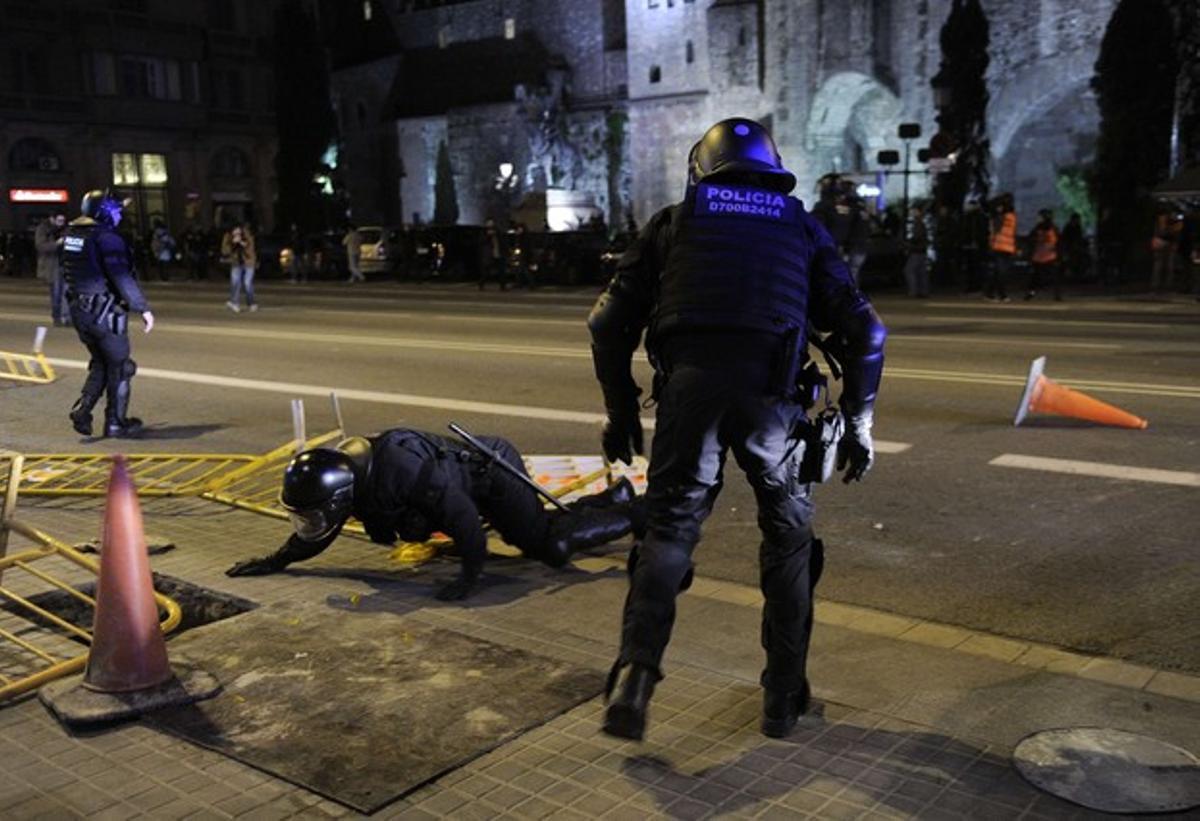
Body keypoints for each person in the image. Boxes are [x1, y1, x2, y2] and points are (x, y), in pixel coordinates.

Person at [588, 118, 886, 741]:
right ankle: (781, 698)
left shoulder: (673, 223)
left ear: (703, 169)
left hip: (688, 396)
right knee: (789, 540)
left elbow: (607, 324)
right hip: (773, 401)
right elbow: (867, 334)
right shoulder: (801, 227)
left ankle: (634, 677)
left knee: (668, 531)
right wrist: (858, 424)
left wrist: (621, 413)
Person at [225, 429, 644, 601]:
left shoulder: (398, 473)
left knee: (550, 545)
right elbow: (317, 534)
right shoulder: (352, 480)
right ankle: (614, 495)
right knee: (542, 527)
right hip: (462, 483)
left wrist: (468, 579)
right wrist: (275, 562)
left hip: (491, 472)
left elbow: (463, 522)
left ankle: (639, 512)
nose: (317, 521)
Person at [61, 190, 155, 438]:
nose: (119, 215)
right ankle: (116, 422)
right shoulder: (107, 238)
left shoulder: (72, 234)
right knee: (122, 367)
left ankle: (83, 410)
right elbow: (121, 276)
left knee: (102, 363)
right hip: (104, 312)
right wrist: (142, 307)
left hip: (81, 312)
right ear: (103, 212)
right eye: (115, 210)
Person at [35, 212, 68, 326]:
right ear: (52, 219)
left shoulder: (66, 229)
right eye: (59, 221)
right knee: (56, 293)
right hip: (52, 266)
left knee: (66, 293)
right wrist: (56, 244)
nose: (61, 224)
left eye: (63, 221)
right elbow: (40, 246)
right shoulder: (43, 229)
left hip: (65, 265)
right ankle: (57, 317)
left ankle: (66, 317)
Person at [1025, 209, 1061, 301]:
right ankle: (1057, 295)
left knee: (1035, 277)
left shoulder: (1038, 228)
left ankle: (1031, 293)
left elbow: (1030, 239)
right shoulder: (1054, 228)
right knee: (1054, 277)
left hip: (1039, 256)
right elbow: (1059, 242)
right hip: (1050, 255)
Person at [986, 194, 1016, 302]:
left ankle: (990, 293)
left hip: (1002, 247)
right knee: (1000, 272)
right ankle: (1001, 294)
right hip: (1001, 247)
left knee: (998, 272)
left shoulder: (1001, 216)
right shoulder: (1006, 216)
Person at [222, 223, 258, 312]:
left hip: (249, 262)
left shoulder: (248, 236)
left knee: (247, 283)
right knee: (235, 282)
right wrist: (232, 244)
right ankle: (235, 303)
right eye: (234, 231)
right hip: (236, 263)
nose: (236, 233)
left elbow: (250, 250)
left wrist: (241, 243)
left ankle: (251, 303)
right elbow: (224, 251)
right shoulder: (228, 237)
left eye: (238, 231)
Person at [1151, 206, 1183, 293]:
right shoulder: (1162, 222)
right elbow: (1163, 232)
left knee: (1166, 265)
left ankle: (1163, 285)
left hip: (1166, 243)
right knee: (1162, 265)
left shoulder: (1170, 221)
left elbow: (1174, 232)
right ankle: (1159, 285)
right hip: (1163, 243)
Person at [960, 199, 989, 293]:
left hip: (976, 245)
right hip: (969, 245)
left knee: (976, 266)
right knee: (970, 267)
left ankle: (976, 286)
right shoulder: (967, 217)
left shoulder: (979, 217)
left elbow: (981, 232)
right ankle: (971, 286)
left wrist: (978, 242)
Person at [904, 204, 930, 297]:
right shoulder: (921, 222)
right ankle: (923, 291)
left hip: (916, 250)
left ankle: (913, 291)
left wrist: (909, 244)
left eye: (914, 210)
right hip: (921, 250)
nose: (912, 212)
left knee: (909, 270)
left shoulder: (918, 222)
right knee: (921, 272)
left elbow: (917, 237)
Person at [1059, 212, 1089, 284]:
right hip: (1070, 248)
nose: (1078, 221)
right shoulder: (1068, 227)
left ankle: (1077, 276)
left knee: (1079, 261)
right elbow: (1064, 238)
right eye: (1077, 219)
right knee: (1071, 261)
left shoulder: (1078, 227)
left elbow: (1079, 237)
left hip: (1076, 248)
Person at [479, 220, 507, 290]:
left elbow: (502, 241)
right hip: (489, 254)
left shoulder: (497, 231)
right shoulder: (484, 232)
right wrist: (488, 236)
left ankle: (502, 286)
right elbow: (482, 241)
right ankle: (481, 284)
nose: (490, 224)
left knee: (501, 270)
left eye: (491, 223)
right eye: (488, 223)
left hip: (498, 253)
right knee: (486, 271)